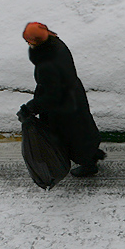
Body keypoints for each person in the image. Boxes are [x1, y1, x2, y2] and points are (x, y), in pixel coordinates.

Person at [17, 22, 104, 177]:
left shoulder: (46, 64)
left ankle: (88, 164)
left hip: (63, 106)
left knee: (70, 135)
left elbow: (52, 95)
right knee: (82, 128)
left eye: (28, 41)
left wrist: (31, 108)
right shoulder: (56, 44)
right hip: (74, 94)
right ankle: (91, 154)